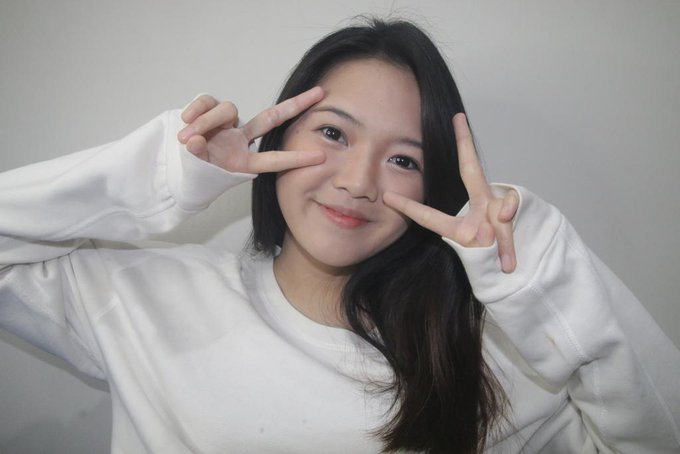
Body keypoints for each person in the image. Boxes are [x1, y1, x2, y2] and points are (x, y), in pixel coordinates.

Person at [0, 17, 678, 454]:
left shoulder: (491, 359)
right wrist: (166, 176)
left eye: (403, 159)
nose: (357, 182)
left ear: (433, 188)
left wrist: (538, 275)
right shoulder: (144, 297)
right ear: (278, 138)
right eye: (333, 133)